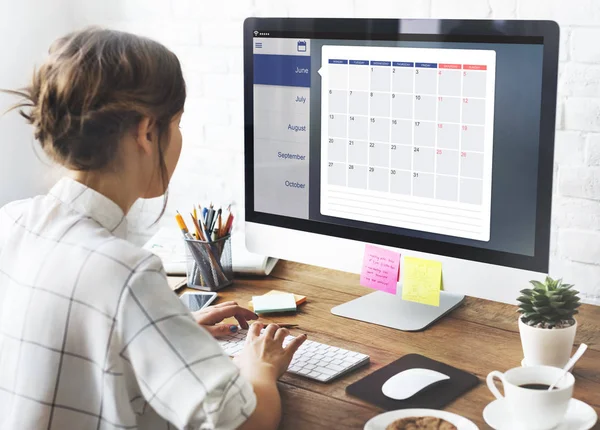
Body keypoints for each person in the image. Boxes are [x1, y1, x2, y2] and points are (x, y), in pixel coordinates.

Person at [0, 27, 306, 430]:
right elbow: (246, 422)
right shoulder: (126, 273)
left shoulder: (11, 221)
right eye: (176, 124)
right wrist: (259, 366)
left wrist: (164, 330)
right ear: (146, 132)